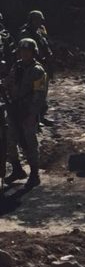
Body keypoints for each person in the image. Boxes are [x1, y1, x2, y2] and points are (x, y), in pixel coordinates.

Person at [3, 38, 48, 188]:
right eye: (22, 51)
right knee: (10, 139)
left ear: (33, 52)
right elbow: (9, 81)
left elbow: (40, 94)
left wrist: (32, 114)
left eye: (27, 51)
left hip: (28, 110)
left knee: (29, 142)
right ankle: (17, 168)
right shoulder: (17, 66)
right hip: (14, 108)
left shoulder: (38, 70)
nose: (24, 54)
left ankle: (34, 173)